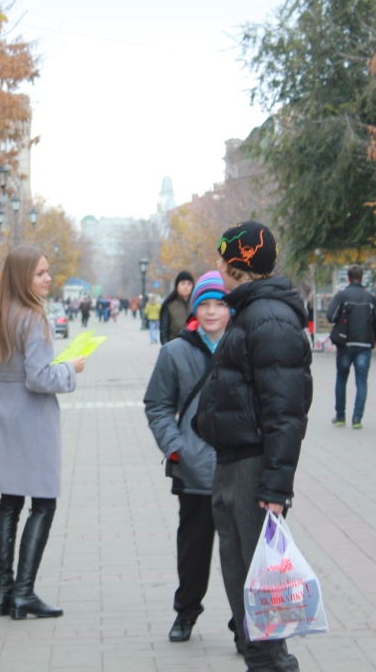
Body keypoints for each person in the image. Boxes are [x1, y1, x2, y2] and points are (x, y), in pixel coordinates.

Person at [193, 221, 311, 671]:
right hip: (234, 462)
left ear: (236, 265)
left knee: (258, 591)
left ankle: (273, 665)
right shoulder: (253, 312)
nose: (218, 268)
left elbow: (286, 412)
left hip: (252, 469)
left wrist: (276, 486)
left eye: (223, 261)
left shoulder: (269, 319)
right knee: (244, 584)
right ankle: (264, 660)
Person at [0, 245, 85, 620]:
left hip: (5, 412)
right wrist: (71, 368)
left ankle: (4, 594)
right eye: (40, 273)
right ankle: (24, 592)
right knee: (44, 501)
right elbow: (40, 379)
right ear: (23, 277)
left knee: (9, 501)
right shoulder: (35, 318)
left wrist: (6, 385)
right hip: (34, 417)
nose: (48, 278)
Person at [144, 272, 230, 644]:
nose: (212, 312)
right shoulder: (174, 352)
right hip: (193, 468)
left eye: (220, 303)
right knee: (193, 549)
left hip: (237, 468)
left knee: (240, 555)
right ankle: (186, 613)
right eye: (205, 304)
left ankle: (245, 625)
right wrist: (175, 445)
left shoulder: (245, 346)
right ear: (194, 306)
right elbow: (158, 405)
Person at [325, 265, 376, 429]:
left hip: (345, 343)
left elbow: (330, 316)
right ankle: (357, 419)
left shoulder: (342, 296)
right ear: (362, 278)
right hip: (364, 344)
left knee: (341, 378)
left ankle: (340, 416)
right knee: (361, 382)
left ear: (348, 278)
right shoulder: (370, 298)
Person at [159, 271, 195, 345]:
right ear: (177, 285)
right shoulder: (169, 305)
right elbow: (164, 333)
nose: (186, 286)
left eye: (189, 284)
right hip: (175, 349)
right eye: (183, 283)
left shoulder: (196, 304)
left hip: (195, 350)